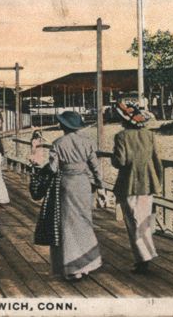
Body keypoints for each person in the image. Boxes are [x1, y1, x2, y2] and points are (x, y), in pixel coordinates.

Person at [48, 111, 106, 281]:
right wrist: (101, 186)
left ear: (62, 126)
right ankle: (87, 264)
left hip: (66, 184)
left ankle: (72, 268)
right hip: (83, 184)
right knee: (84, 222)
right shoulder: (87, 142)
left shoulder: (57, 143)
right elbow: (96, 167)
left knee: (67, 225)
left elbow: (52, 169)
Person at [112, 101, 163, 274]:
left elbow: (120, 161)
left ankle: (143, 259)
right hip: (148, 183)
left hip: (129, 184)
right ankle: (146, 256)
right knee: (144, 220)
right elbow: (157, 160)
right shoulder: (149, 135)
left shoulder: (121, 136)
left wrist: (113, 157)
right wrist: (158, 181)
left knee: (133, 222)